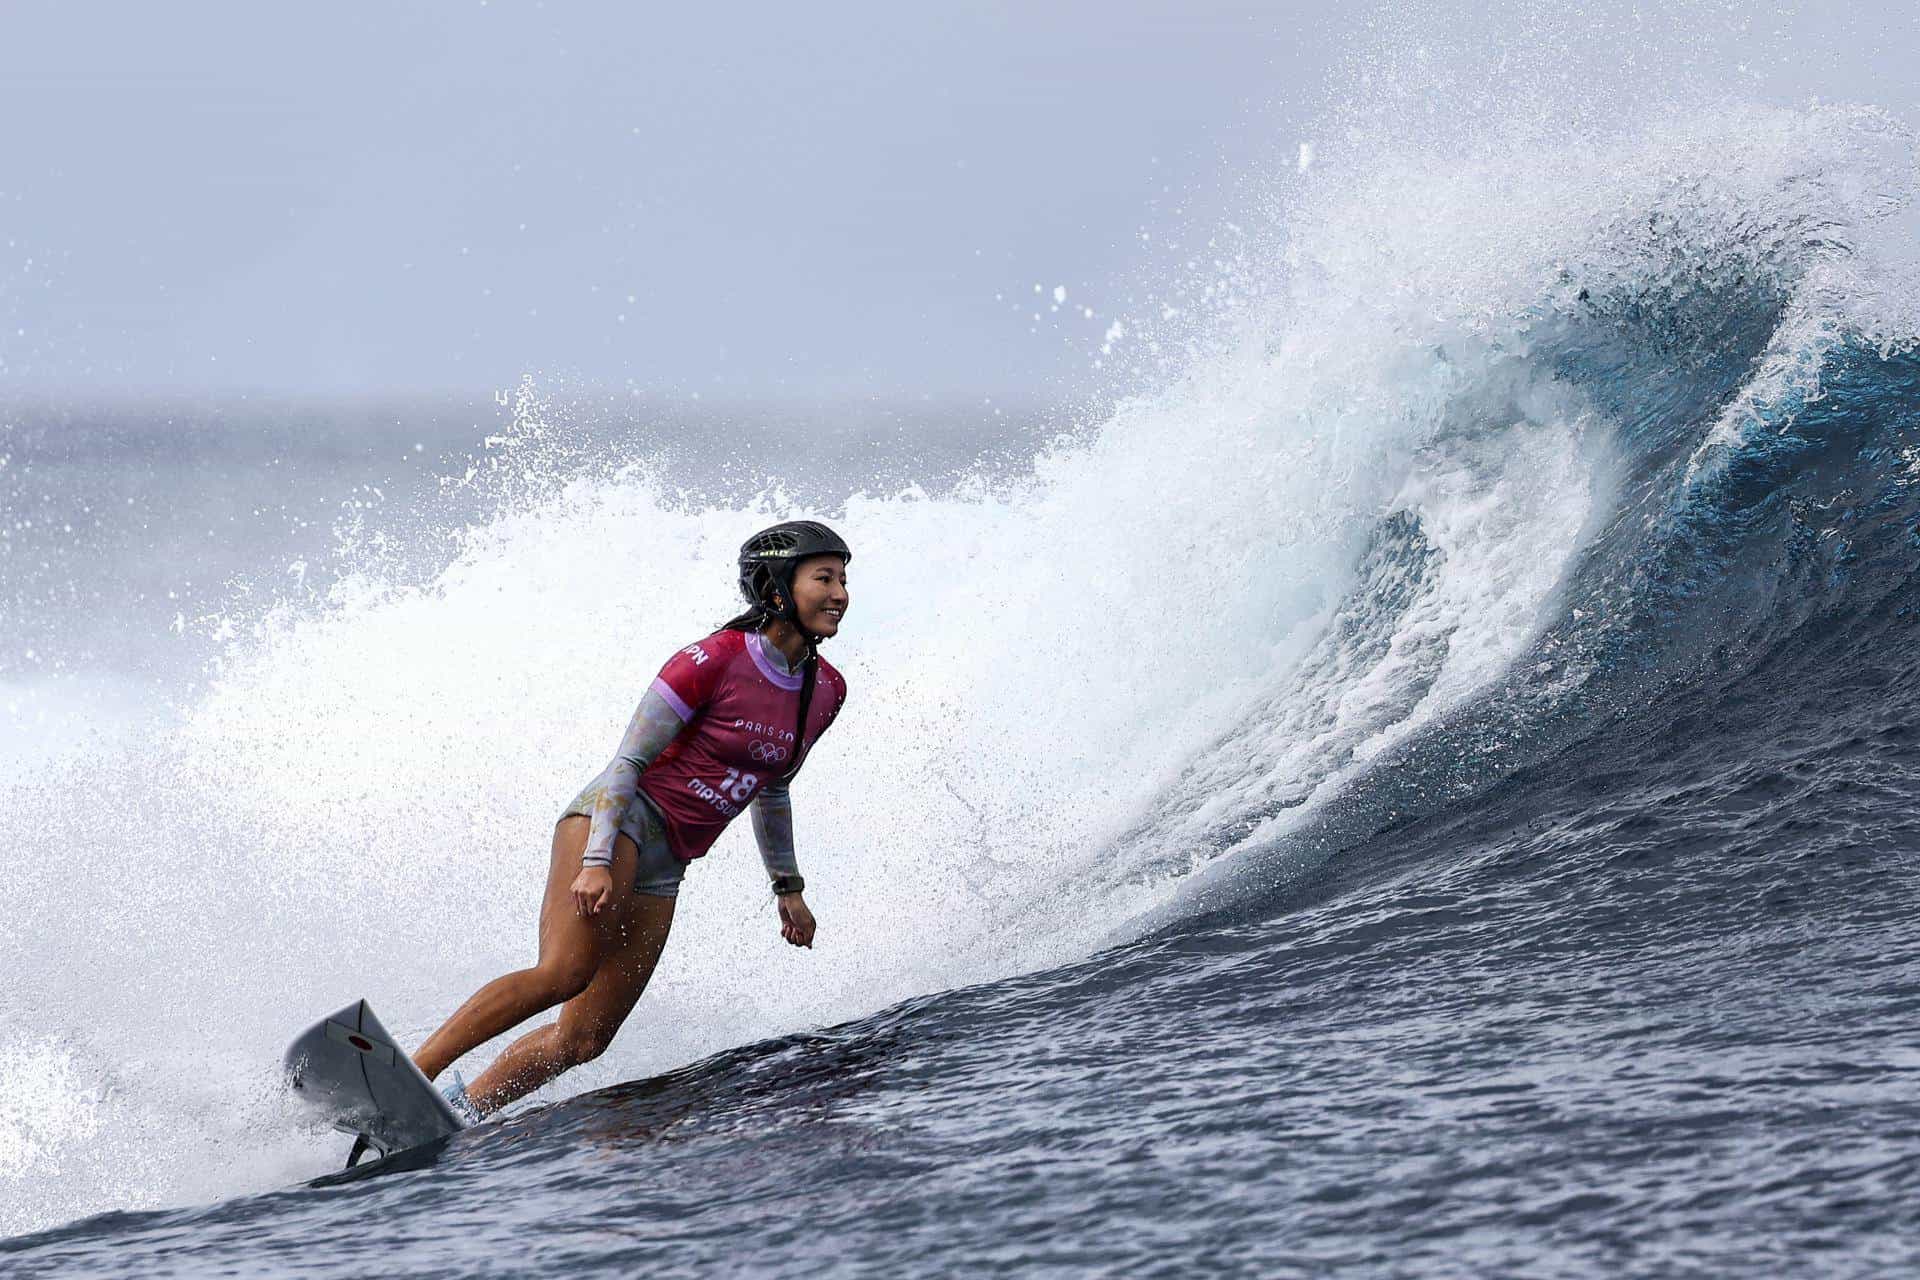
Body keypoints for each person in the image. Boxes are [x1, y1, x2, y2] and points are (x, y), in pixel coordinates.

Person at [411, 520, 853, 1122]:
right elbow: (628, 763)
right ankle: (415, 1072)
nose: (840, 593)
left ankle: (460, 1111)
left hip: (667, 860)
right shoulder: (711, 660)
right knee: (564, 973)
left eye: (844, 579)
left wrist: (789, 889)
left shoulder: (825, 689)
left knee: (585, 1040)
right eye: (823, 578)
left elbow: (772, 790)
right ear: (777, 587)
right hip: (616, 824)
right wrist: (596, 860)